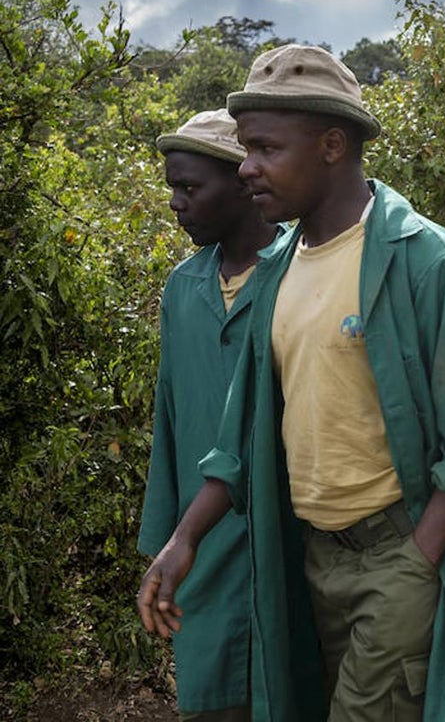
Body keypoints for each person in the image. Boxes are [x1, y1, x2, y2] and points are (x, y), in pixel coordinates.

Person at [138, 45, 445, 722]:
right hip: (314, 558)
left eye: (264, 147)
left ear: (332, 145)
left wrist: (416, 562)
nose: (248, 165)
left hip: (396, 557)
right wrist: (184, 539)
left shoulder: (427, 261)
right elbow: (242, 431)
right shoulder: (281, 265)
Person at [138, 109, 325, 721]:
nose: (176, 203)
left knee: (296, 684)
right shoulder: (182, 289)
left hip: (290, 536)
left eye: (190, 187)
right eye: (173, 188)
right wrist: (169, 536)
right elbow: (170, 420)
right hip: (203, 541)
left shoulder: (299, 276)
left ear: (243, 182)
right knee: (214, 691)